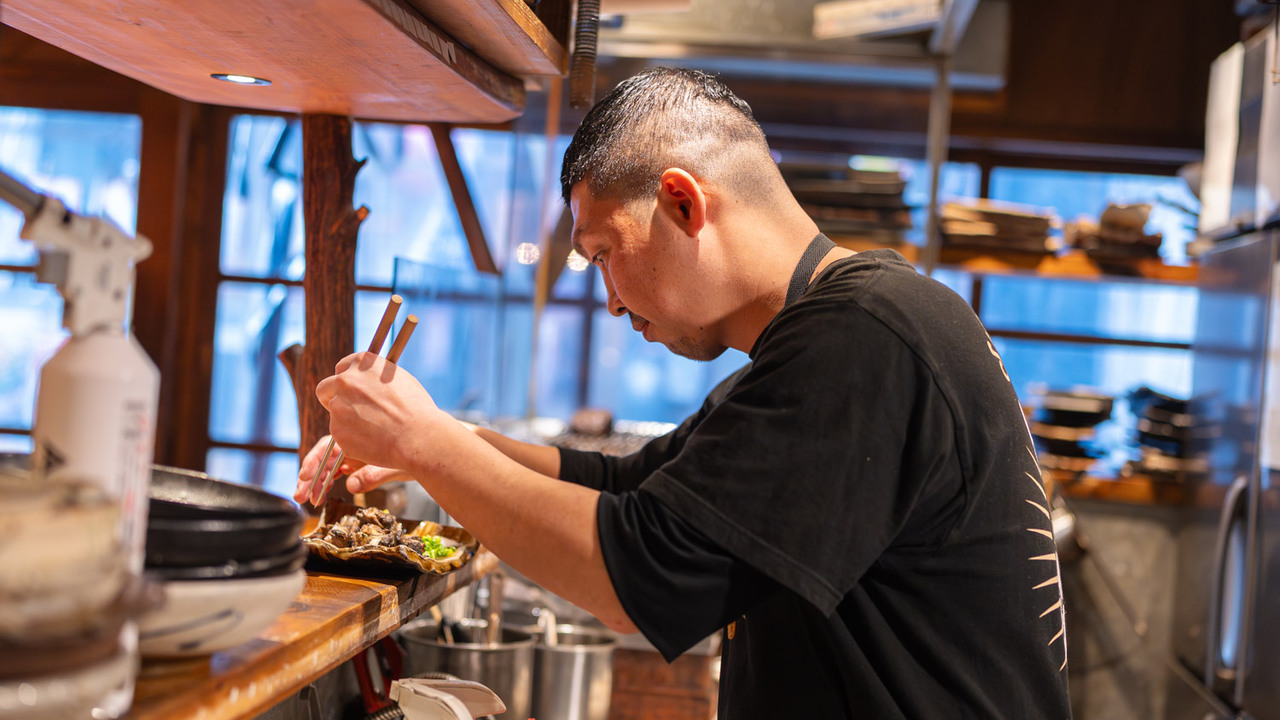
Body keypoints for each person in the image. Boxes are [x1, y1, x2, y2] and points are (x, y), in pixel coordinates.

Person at [297, 67, 1072, 719]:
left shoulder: (864, 335)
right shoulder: (845, 331)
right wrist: (447, 445)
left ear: (682, 202)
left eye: (603, 253)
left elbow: (636, 577)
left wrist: (424, 445)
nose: (607, 300)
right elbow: (631, 483)